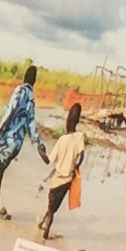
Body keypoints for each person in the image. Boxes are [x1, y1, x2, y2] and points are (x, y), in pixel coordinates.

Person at [0, 64, 45, 224]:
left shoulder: (19, 91)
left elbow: (9, 113)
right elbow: (31, 123)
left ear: (24, 77)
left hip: (8, 140)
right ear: (34, 81)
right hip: (17, 145)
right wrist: (38, 144)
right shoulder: (31, 97)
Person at [36, 100, 88, 243]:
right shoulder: (80, 137)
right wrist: (76, 166)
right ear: (77, 120)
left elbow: (48, 160)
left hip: (58, 179)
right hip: (68, 180)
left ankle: (46, 232)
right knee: (54, 206)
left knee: (51, 207)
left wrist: (41, 152)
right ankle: (42, 223)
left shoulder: (62, 140)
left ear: (67, 120)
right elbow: (82, 155)